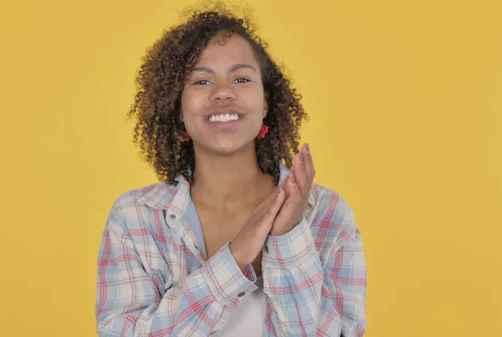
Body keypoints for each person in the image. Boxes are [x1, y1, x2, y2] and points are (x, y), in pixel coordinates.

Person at [95, 3, 367, 336]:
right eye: (201, 82)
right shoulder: (136, 219)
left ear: (265, 102)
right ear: (177, 108)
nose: (223, 92)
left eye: (241, 78)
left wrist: (289, 238)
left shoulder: (328, 215)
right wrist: (235, 256)